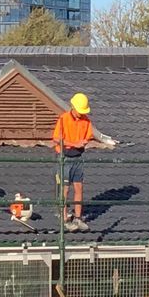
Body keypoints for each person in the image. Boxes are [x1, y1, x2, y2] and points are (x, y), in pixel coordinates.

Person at [50, 92, 101, 231]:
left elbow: (89, 136)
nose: (81, 114)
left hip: (78, 157)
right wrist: (74, 143)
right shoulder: (63, 119)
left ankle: (78, 218)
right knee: (65, 190)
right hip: (65, 157)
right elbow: (56, 139)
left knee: (79, 188)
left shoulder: (86, 121)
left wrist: (84, 142)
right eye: (80, 111)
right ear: (73, 107)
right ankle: (65, 218)